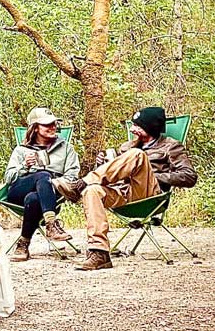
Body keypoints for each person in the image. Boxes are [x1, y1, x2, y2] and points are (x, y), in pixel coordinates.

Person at [55, 106, 197, 271]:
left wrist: (151, 175)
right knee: (92, 190)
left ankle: (80, 184)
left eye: (137, 126)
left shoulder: (171, 147)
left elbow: (189, 176)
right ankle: (99, 253)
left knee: (137, 155)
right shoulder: (126, 147)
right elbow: (113, 172)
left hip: (150, 194)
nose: (132, 129)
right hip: (123, 193)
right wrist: (102, 163)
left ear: (150, 127)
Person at [2, 107, 80, 261]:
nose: (52, 127)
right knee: (42, 176)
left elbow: (72, 175)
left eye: (54, 124)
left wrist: (55, 182)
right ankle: (51, 224)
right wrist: (25, 166)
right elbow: (9, 177)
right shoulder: (21, 150)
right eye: (47, 125)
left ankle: (23, 244)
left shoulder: (66, 148)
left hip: (51, 193)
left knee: (33, 198)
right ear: (35, 128)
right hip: (19, 190)